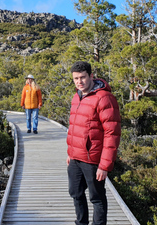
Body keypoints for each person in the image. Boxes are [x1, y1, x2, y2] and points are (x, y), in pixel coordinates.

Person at [66, 61, 121, 225]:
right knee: (75, 193)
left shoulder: (105, 98)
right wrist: (70, 154)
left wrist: (104, 165)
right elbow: (74, 128)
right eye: (76, 78)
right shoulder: (77, 97)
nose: (79, 81)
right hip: (76, 158)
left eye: (82, 77)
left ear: (91, 76)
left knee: (96, 198)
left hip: (93, 159)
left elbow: (112, 134)